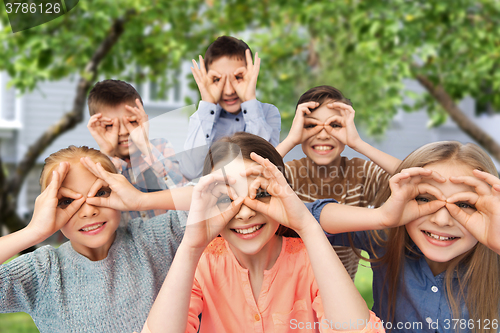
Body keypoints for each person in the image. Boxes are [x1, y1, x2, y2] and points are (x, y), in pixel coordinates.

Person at [140, 132, 384, 333]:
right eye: (227, 197)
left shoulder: (309, 262)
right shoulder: (202, 265)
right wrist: (191, 247)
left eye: (261, 193)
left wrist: (308, 226)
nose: (245, 213)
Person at [307, 141, 500, 333]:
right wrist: (380, 217)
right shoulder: (387, 237)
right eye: (424, 198)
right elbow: (300, 218)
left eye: (464, 204)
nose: (442, 220)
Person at [0, 146, 186, 333]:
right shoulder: (43, 271)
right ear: (49, 207)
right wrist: (33, 231)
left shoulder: (153, 239)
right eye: (67, 201)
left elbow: (215, 200)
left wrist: (141, 200)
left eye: (100, 192)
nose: (89, 211)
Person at [276, 85, 402, 280]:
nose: (323, 134)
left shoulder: (361, 173)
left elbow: (417, 176)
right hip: (291, 288)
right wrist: (291, 139)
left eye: (334, 125)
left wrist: (358, 143)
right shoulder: (289, 173)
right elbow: (247, 179)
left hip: (342, 289)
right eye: (311, 125)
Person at [179, 36, 281, 180]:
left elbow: (261, 169)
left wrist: (249, 100)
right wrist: (207, 103)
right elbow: (191, 172)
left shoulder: (269, 112)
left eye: (238, 77)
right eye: (217, 80)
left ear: (252, 74)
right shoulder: (202, 117)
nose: (228, 91)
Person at [87, 79, 186, 220]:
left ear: (143, 119)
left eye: (132, 122)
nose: (122, 132)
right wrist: (107, 153)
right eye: (110, 125)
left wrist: (145, 147)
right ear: (97, 128)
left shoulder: (160, 147)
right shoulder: (93, 166)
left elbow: (186, 189)